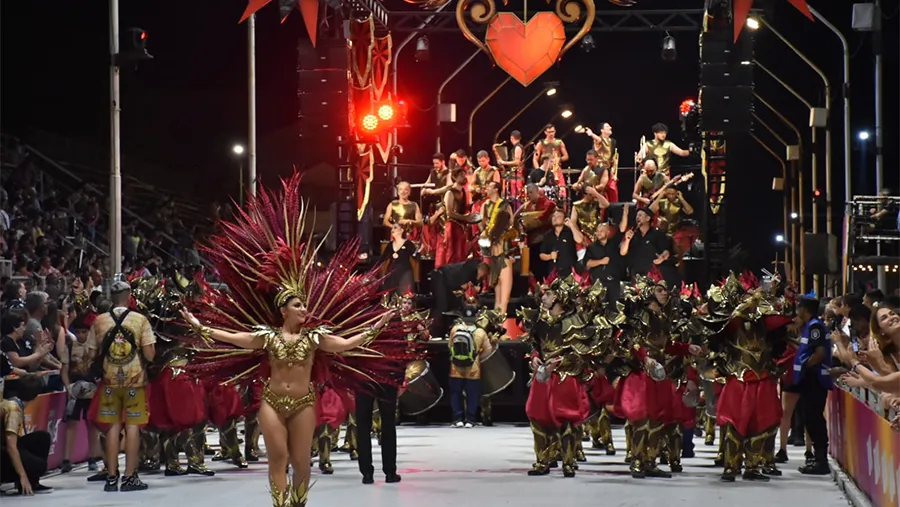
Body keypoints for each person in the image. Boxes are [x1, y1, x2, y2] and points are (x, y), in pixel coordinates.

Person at [178, 173, 416, 507]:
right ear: (283, 310)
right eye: (297, 304)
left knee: (302, 462)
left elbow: (348, 344)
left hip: (304, 403)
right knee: (278, 460)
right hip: (273, 403)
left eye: (304, 303)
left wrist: (381, 325)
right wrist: (199, 325)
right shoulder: (267, 337)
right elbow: (232, 338)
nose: (304, 308)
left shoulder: (316, 337)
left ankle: (299, 503)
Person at [88, 280, 156, 492]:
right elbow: (150, 355)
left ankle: (110, 477)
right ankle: (129, 477)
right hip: (134, 381)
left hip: (109, 382)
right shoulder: (140, 320)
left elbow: (91, 354)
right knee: (133, 426)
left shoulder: (99, 321)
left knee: (112, 427)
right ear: (129, 295)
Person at [792, 295, 832, 475]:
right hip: (808, 379)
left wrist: (806, 367)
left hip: (814, 379)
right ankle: (817, 458)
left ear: (804, 309)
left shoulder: (815, 326)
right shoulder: (809, 327)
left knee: (814, 419)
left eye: (798, 307)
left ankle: (821, 460)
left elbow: (819, 353)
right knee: (810, 418)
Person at [0, 376, 53, 495]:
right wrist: (23, 475)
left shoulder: (12, 402)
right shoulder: (13, 409)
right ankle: (22, 481)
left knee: (42, 437)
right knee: (39, 466)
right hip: (3, 449)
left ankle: (33, 483)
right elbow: (11, 447)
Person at [447, 285, 490, 428]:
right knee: (472, 393)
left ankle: (457, 418)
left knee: (455, 392)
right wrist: (477, 356)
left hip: (455, 365)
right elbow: (488, 351)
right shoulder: (480, 332)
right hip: (474, 366)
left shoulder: (455, 329)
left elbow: (450, 346)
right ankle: (471, 419)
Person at [479, 181, 516, 315]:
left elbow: (512, 224)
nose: (486, 188)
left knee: (503, 301)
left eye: (489, 186)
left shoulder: (505, 205)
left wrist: (500, 232)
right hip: (493, 256)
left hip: (503, 255)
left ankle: (502, 327)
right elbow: (481, 226)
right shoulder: (485, 205)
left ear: (496, 189)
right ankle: (496, 328)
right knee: (497, 299)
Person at [516, 184, 556, 282]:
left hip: (544, 240)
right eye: (527, 193)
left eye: (531, 192)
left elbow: (552, 207)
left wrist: (538, 219)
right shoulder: (526, 206)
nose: (529, 195)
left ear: (537, 192)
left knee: (544, 267)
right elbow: (515, 218)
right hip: (531, 241)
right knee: (534, 267)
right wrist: (520, 229)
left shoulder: (546, 202)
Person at [539, 210, 579, 278]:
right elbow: (541, 255)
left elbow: (580, 240)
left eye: (558, 216)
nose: (555, 218)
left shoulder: (570, 232)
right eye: (554, 216)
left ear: (564, 220)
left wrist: (571, 225)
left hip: (570, 273)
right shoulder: (548, 235)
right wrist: (550, 256)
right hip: (554, 274)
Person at [380, 223, 415, 295]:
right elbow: (382, 259)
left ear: (401, 230)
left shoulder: (408, 244)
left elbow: (416, 256)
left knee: (404, 295)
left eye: (395, 228)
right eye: (392, 228)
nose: (392, 230)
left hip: (405, 274)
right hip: (391, 274)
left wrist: (419, 251)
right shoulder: (390, 245)